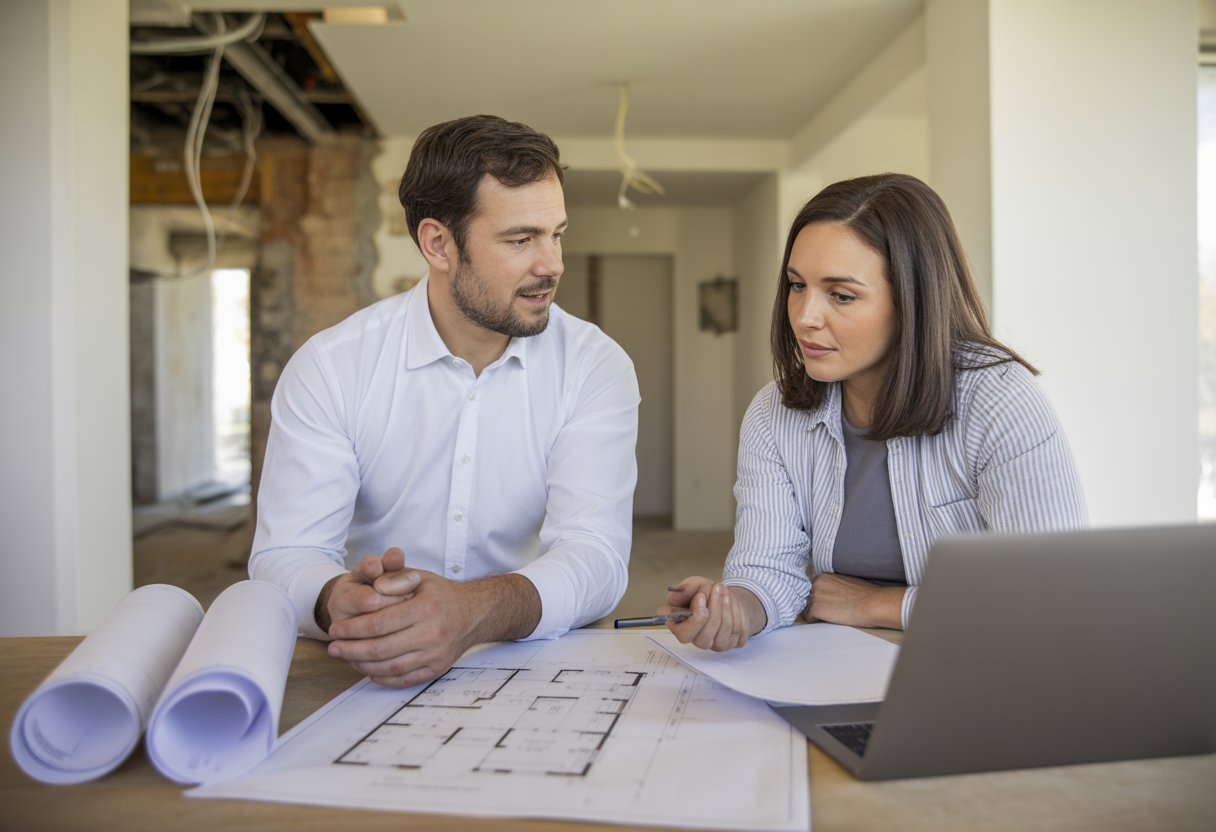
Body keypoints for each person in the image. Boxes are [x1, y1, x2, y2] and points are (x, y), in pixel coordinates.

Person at [249, 114, 640, 686]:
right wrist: (339, 599)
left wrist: (471, 612)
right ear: (437, 243)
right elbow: (285, 555)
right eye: (520, 239)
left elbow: (597, 556)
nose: (552, 264)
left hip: (531, 668)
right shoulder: (331, 367)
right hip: (365, 668)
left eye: (556, 233)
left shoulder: (595, 366)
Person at [664, 173, 1086, 652]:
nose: (804, 316)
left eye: (841, 295)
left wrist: (879, 604)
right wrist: (735, 607)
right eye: (797, 286)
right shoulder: (773, 413)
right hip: (838, 668)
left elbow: (1053, 594)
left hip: (982, 669)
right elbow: (767, 569)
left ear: (913, 301)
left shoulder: (998, 398)